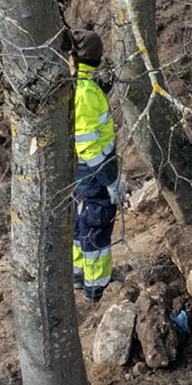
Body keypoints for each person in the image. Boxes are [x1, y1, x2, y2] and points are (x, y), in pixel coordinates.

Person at [70, 30, 123, 302]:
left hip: (81, 175)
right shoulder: (86, 93)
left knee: (81, 224)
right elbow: (91, 148)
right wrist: (111, 180)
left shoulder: (77, 85)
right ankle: (96, 289)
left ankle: (79, 276)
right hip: (95, 175)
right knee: (96, 229)